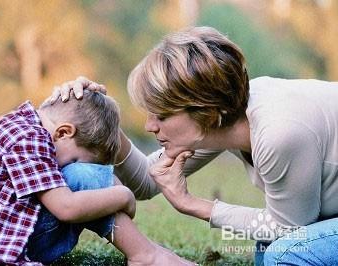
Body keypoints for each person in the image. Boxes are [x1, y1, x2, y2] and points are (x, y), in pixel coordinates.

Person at [52, 26, 338, 265]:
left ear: (206, 112)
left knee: (284, 255)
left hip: (297, 225)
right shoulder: (225, 118)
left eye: (162, 115)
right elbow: (147, 181)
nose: (151, 126)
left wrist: (194, 205)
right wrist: (95, 117)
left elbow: (288, 229)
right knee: (269, 254)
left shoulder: (280, 132)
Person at [0, 90, 195, 265]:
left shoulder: (21, 124)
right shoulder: (29, 139)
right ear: (64, 132)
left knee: (82, 177)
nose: (65, 165)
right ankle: (145, 255)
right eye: (74, 157)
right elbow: (65, 208)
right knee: (83, 176)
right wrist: (124, 195)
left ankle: (145, 251)